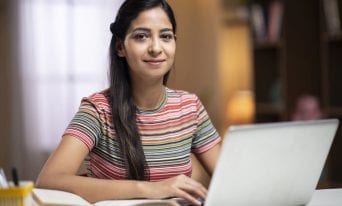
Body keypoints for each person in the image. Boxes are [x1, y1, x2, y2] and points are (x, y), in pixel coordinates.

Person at [35, 0, 221, 205]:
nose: (156, 48)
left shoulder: (190, 107)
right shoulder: (98, 110)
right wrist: (150, 189)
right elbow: (49, 180)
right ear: (120, 47)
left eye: (166, 36)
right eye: (141, 36)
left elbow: (229, 179)